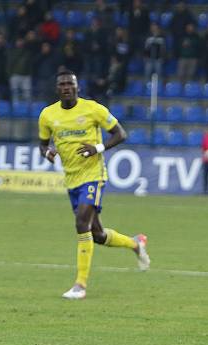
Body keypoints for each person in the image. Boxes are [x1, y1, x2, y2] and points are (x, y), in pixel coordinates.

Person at [37, 69, 151, 300]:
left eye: (71, 84)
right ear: (57, 89)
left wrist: (97, 148)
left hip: (93, 175)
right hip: (72, 179)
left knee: (81, 223)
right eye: (63, 85)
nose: (67, 87)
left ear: (78, 87)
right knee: (97, 235)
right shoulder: (48, 115)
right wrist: (47, 151)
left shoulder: (93, 109)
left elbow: (121, 134)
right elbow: (42, 144)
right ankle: (136, 243)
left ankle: (80, 285)